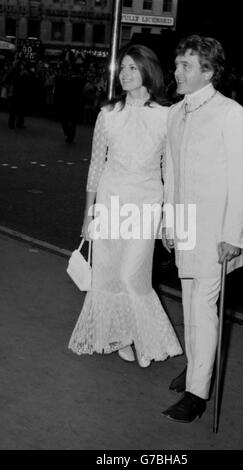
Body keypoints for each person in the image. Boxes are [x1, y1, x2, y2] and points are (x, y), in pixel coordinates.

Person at [161, 35, 243, 423]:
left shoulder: (231, 114)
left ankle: (198, 393)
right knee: (189, 302)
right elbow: (171, 173)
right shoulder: (175, 112)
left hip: (216, 231)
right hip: (185, 227)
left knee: (203, 307)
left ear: (209, 72)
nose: (177, 72)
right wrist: (168, 220)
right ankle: (197, 362)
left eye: (186, 66)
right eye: (178, 64)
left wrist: (233, 235)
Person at [68, 44, 182, 366]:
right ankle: (121, 335)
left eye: (132, 67)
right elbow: (95, 166)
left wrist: (169, 220)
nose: (125, 74)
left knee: (134, 276)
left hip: (146, 202)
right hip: (110, 199)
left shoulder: (166, 115)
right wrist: (88, 216)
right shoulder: (108, 114)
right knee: (107, 275)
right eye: (123, 68)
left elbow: (169, 171)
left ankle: (145, 340)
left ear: (148, 71)